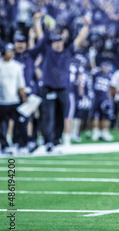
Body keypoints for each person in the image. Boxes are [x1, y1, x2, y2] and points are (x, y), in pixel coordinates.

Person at [33, 13, 91, 152]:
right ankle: (48, 141)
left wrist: (86, 26)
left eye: (60, 42)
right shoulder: (47, 50)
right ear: (52, 43)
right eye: (56, 42)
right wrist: (36, 20)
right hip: (48, 88)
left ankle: (56, 140)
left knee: (61, 116)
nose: (58, 44)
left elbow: (79, 39)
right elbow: (40, 35)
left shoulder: (68, 51)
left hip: (63, 88)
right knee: (48, 115)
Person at [0, 43, 28, 153]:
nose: (11, 53)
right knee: (2, 125)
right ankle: (4, 144)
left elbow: (20, 85)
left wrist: (24, 98)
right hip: (1, 101)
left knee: (20, 123)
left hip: (14, 100)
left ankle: (21, 144)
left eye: (12, 51)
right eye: (8, 51)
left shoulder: (17, 66)